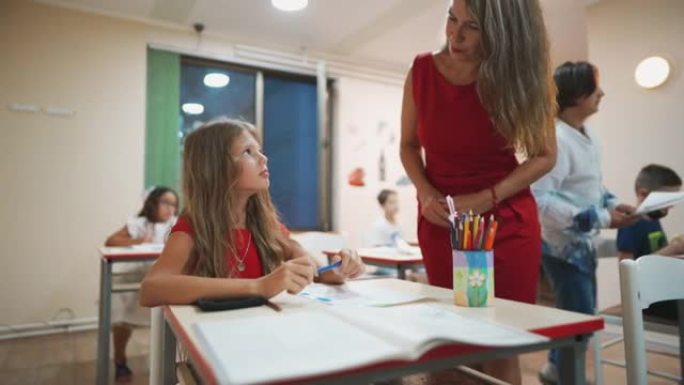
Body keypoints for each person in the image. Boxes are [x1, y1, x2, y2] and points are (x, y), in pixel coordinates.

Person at [399, 0, 557, 382]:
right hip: (443, 222)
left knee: (499, 344)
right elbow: (407, 145)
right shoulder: (421, 71)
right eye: (452, 20)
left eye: (473, 27)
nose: (455, 35)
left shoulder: (520, 76)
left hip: (505, 222)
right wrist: (424, 193)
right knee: (450, 343)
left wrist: (487, 197)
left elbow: (545, 155)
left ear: (504, 34)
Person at [139, 118, 365, 309]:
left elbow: (312, 269)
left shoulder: (268, 227)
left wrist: (337, 269)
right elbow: (151, 289)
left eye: (259, 150)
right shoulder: (192, 227)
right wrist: (258, 286)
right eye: (248, 152)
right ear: (215, 168)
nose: (263, 158)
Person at [532, 61, 638, 385]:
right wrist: (604, 217)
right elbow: (541, 201)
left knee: (579, 315)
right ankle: (568, 377)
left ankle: (557, 370)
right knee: (577, 319)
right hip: (562, 248)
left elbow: (590, 187)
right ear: (578, 95)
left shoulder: (589, 137)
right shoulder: (556, 139)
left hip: (583, 245)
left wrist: (611, 202)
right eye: (595, 89)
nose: (601, 94)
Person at [104, 186, 178, 382]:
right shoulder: (140, 223)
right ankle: (120, 360)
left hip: (161, 279)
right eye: (165, 203)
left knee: (168, 322)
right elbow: (111, 241)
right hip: (134, 278)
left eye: (173, 204)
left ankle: (169, 364)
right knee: (123, 320)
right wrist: (138, 239)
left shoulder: (175, 223)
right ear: (152, 203)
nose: (170, 208)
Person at [617, 164, 683, 321]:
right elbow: (627, 272)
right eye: (668, 200)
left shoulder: (653, 221)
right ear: (643, 194)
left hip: (661, 290)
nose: (672, 205)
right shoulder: (630, 225)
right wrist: (673, 248)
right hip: (648, 300)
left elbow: (659, 258)